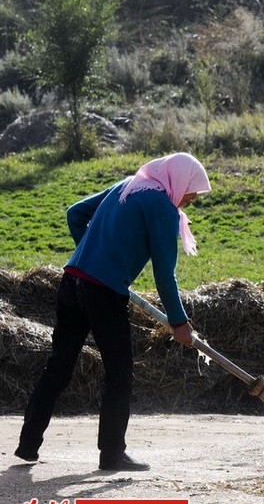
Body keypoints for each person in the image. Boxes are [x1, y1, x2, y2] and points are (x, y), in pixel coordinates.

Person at [14, 152, 211, 471]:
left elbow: (75, 214)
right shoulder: (161, 207)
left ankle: (27, 444)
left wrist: (91, 257)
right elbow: (164, 274)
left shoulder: (128, 185)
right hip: (102, 294)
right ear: (181, 180)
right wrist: (180, 323)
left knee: (59, 367)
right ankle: (112, 454)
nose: (190, 200)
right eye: (192, 191)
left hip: (72, 282)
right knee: (119, 374)